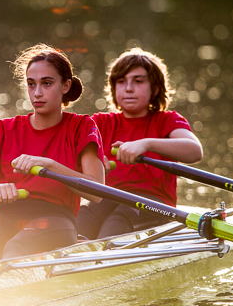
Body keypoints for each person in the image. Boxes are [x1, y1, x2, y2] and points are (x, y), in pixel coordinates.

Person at [0, 43, 105, 269]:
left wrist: (50, 166)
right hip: (4, 215)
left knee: (15, 251)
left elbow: (97, 192)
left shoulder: (82, 126)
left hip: (56, 220)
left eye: (47, 83)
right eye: (31, 84)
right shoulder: (3, 129)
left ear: (65, 86)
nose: (37, 93)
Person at [77, 47, 203, 240]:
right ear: (113, 88)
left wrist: (145, 144)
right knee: (81, 220)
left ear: (155, 88)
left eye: (138, 81)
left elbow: (194, 151)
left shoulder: (167, 121)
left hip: (154, 203)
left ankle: (101, 264)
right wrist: (89, 164)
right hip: (108, 198)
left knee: (116, 223)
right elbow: (67, 153)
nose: (128, 88)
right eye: (121, 81)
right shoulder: (99, 123)